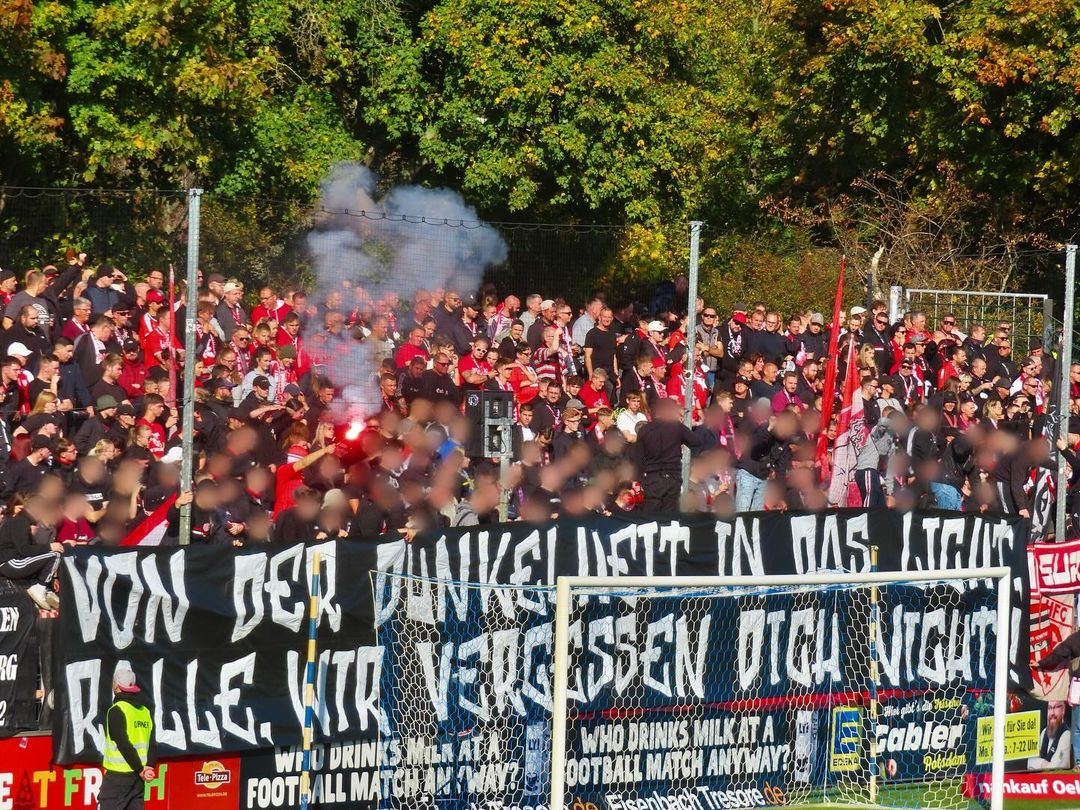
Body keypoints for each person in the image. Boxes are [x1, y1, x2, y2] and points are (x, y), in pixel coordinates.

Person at [99, 664, 156, 809]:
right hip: (138, 779)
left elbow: (124, 744)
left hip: (119, 776)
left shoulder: (117, 710)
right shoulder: (144, 711)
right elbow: (152, 743)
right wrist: (148, 767)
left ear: (116, 686)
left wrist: (140, 769)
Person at [633, 397, 702, 511]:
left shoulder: (644, 430)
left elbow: (638, 459)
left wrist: (641, 480)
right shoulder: (676, 427)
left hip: (652, 478)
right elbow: (696, 441)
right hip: (672, 477)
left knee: (651, 518)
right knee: (669, 518)